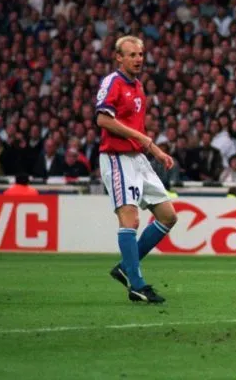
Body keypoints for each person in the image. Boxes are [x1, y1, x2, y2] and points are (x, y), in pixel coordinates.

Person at [96, 36, 177, 304]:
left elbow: (138, 131)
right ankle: (137, 284)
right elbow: (102, 119)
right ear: (119, 57)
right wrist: (143, 140)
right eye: (132, 55)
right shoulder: (113, 82)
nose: (138, 59)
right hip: (117, 158)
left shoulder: (138, 86)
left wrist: (155, 151)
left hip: (138, 158)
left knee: (168, 216)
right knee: (130, 220)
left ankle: (124, 267)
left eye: (141, 54)